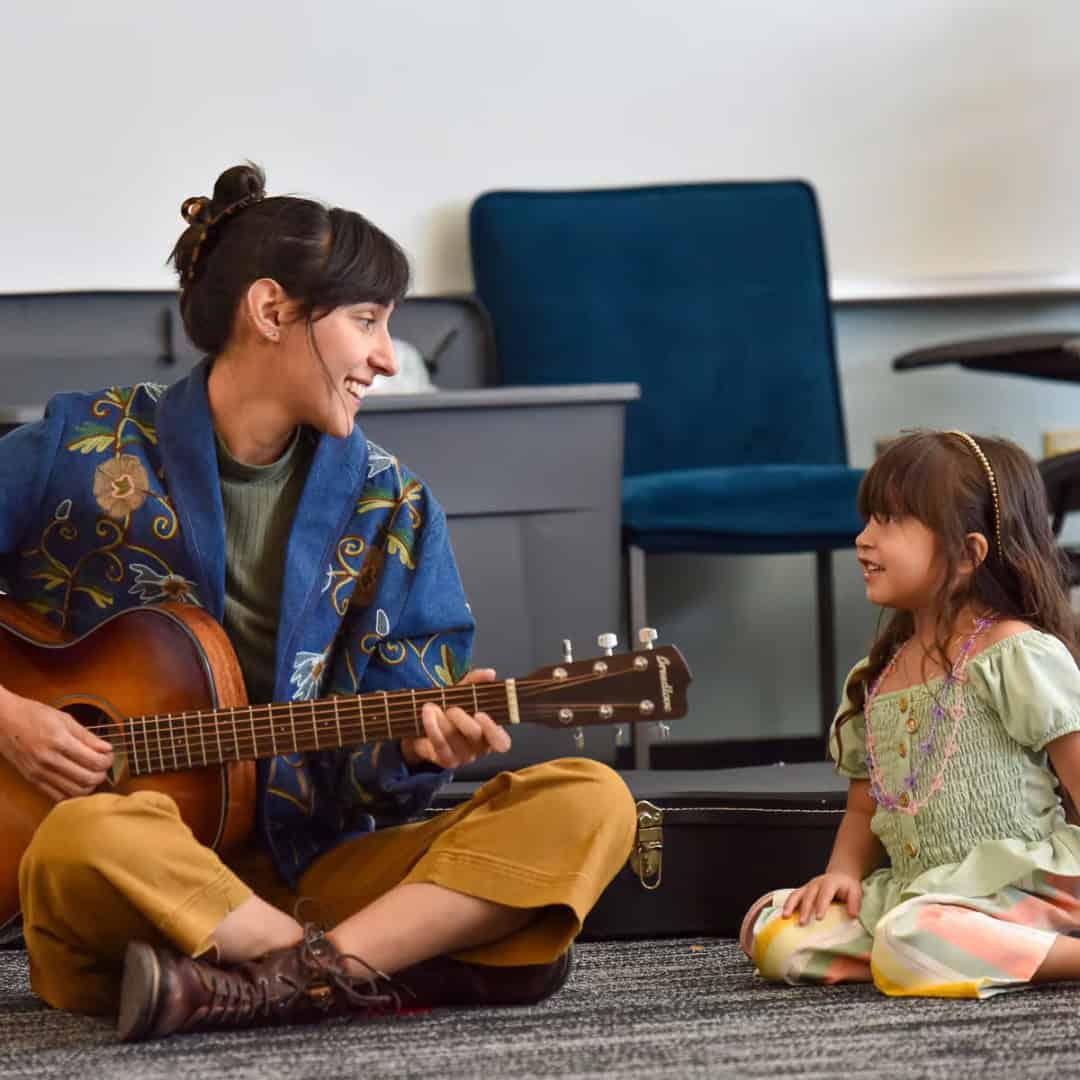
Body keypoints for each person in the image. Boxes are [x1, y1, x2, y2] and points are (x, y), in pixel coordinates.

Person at [0, 163, 636, 1040]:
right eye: (367, 321)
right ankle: (373, 963)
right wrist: (11, 717)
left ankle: (276, 981)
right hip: (134, 881)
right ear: (271, 312)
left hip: (317, 872)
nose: (385, 356)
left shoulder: (394, 508)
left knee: (591, 798)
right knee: (85, 836)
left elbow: (386, 776)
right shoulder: (81, 443)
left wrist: (421, 747)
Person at [741, 429, 1080, 998]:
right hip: (916, 890)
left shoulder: (1013, 652)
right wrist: (842, 875)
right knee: (772, 929)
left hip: (1022, 884)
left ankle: (985, 951)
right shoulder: (872, 677)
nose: (863, 539)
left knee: (911, 937)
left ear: (969, 553)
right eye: (868, 519)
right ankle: (927, 953)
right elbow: (862, 808)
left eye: (890, 521)